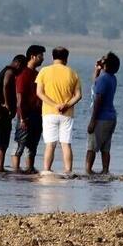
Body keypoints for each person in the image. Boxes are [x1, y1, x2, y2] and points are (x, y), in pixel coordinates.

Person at [34, 46, 82, 175]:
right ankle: (68, 171)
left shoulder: (44, 71)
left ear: (52, 57)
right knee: (66, 144)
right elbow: (78, 95)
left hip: (49, 113)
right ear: (66, 58)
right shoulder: (72, 73)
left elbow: (39, 93)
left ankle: (47, 170)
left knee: (50, 144)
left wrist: (54, 105)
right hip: (67, 114)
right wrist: (65, 105)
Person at [10, 45, 47, 173]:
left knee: (32, 146)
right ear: (33, 57)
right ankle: (15, 170)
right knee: (20, 144)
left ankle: (29, 169)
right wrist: (22, 117)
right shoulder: (23, 74)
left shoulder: (37, 74)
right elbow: (19, 98)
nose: (42, 58)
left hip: (37, 114)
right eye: (41, 56)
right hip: (26, 114)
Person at [0, 54, 26, 173]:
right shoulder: (10, 72)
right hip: (1, 111)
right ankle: (0, 167)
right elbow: (5, 85)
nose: (21, 71)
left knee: (0, 140)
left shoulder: (3, 71)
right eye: (22, 68)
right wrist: (7, 105)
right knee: (3, 141)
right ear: (18, 63)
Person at [85, 52, 120, 175]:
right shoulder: (111, 78)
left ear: (106, 65)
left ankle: (88, 171)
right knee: (105, 147)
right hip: (111, 118)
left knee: (91, 147)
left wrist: (92, 121)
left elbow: (98, 99)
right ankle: (105, 171)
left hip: (101, 118)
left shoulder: (103, 79)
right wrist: (98, 69)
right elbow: (96, 84)